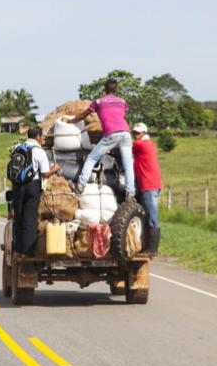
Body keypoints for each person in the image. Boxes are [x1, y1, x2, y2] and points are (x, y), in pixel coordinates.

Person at [63, 77, 135, 198]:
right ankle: (130, 192)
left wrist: (71, 121)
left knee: (91, 158)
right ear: (116, 89)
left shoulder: (99, 102)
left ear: (105, 89)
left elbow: (83, 115)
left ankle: (80, 185)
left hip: (111, 134)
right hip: (126, 133)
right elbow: (123, 118)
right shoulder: (122, 102)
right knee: (128, 165)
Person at [12, 127, 60, 255]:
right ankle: (27, 252)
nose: (43, 139)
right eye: (42, 137)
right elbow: (45, 173)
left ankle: (17, 248)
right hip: (31, 186)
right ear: (38, 137)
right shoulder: (39, 151)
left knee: (18, 217)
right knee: (30, 219)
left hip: (17, 186)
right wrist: (54, 169)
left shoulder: (17, 148)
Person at [131, 123, 163, 255]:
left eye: (138, 133)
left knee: (151, 216)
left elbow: (124, 146)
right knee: (147, 214)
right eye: (134, 133)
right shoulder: (149, 144)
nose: (135, 135)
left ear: (144, 133)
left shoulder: (141, 145)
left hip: (148, 184)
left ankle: (152, 249)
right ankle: (147, 246)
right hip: (150, 183)